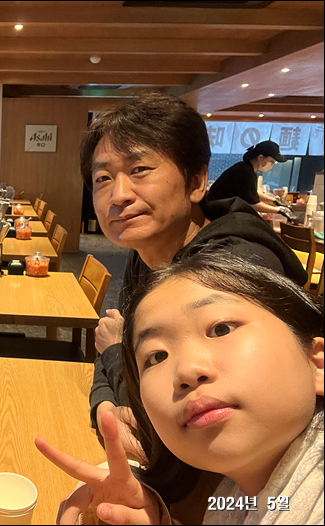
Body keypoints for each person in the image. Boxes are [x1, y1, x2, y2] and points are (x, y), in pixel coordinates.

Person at [79, 92, 307, 466]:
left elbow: (192, 417)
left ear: (197, 181)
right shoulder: (146, 254)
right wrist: (105, 406)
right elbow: (124, 360)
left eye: (140, 170)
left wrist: (114, 353)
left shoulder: (233, 268)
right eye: (103, 178)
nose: (118, 195)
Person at [36, 251, 323, 524]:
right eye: (157, 356)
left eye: (221, 329)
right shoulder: (236, 498)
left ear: (317, 363)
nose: (186, 370)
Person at [206, 140, 295, 220]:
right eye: (272, 161)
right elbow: (253, 204)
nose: (272, 164)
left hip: (216, 209)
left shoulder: (245, 168)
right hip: (216, 212)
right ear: (260, 157)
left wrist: (274, 201)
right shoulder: (245, 172)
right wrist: (279, 210)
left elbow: (252, 193)